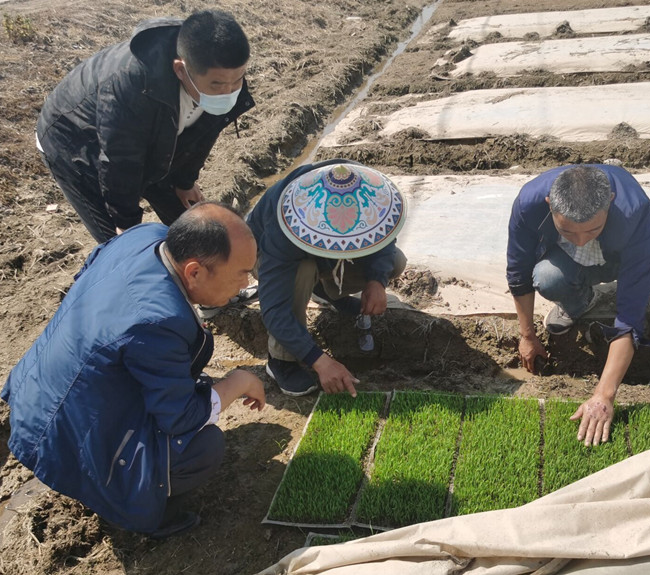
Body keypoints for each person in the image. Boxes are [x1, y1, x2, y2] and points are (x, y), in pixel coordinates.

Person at [1, 202, 266, 539]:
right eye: (241, 273)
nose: (246, 284)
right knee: (204, 447)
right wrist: (238, 381)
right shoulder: (159, 321)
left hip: (36, 394)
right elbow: (182, 418)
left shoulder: (147, 236)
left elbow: (86, 275)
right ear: (195, 272)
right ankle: (137, 511)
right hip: (58, 435)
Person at [506, 164, 650, 446]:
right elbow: (518, 272)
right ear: (549, 204)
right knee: (546, 277)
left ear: (610, 202)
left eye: (592, 229)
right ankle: (582, 301)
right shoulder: (528, 203)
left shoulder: (633, 209)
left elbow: (629, 316)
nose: (582, 240)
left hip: (636, 246)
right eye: (568, 231)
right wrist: (527, 336)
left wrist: (603, 396)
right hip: (575, 258)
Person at [35, 9, 254, 244]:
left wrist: (185, 181)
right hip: (75, 139)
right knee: (122, 246)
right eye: (217, 85)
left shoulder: (223, 73)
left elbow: (202, 134)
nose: (228, 92)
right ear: (181, 70)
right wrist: (125, 222)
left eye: (237, 80)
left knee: (195, 233)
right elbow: (120, 158)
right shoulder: (131, 85)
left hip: (151, 132)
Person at [248, 160, 408, 397]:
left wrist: (377, 281)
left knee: (395, 261)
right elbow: (274, 308)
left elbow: (383, 237)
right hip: (265, 255)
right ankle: (281, 360)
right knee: (303, 270)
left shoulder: (364, 189)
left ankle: (327, 292)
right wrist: (319, 360)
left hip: (312, 254)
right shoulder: (284, 227)